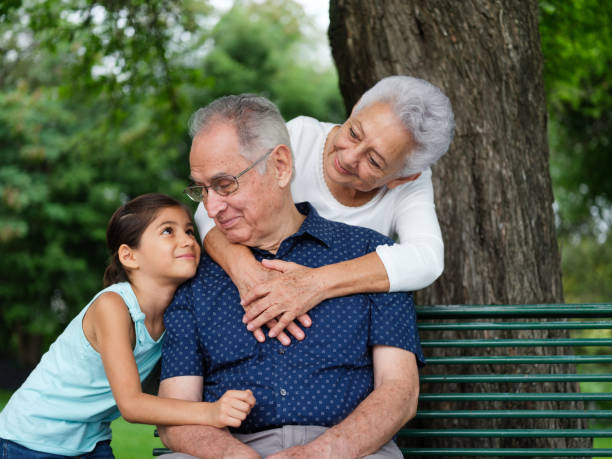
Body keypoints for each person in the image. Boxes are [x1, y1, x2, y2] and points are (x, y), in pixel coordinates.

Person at [158, 95, 425, 458]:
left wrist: (317, 454)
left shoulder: (373, 259)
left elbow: (400, 393)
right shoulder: (194, 280)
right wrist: (234, 456)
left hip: (350, 451)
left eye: (224, 184)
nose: (211, 207)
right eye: (201, 189)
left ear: (280, 166)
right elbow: (175, 413)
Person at [194, 75, 455, 344]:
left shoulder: (411, 183)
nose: (349, 157)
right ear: (355, 109)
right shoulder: (298, 139)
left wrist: (314, 284)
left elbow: (426, 258)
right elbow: (211, 207)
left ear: (402, 177)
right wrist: (246, 271)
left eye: (374, 161)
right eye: (354, 133)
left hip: (338, 334)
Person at [0, 193, 255, 458]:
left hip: (90, 441)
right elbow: (131, 405)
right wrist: (212, 412)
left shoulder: (178, 310)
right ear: (129, 256)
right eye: (168, 231)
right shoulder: (113, 307)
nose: (187, 240)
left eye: (190, 231)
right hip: (30, 440)